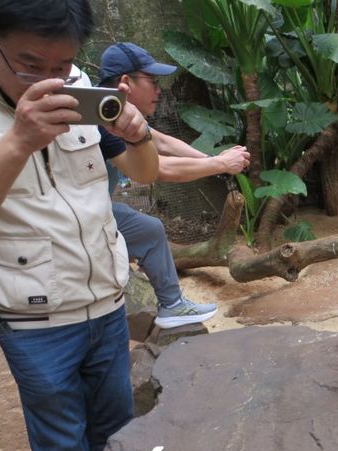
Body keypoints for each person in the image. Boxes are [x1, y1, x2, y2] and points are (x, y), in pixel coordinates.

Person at [0, 0, 158, 451]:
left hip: (107, 307)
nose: (48, 80)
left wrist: (140, 135)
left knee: (117, 441)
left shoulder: (82, 89)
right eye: (29, 65)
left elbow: (145, 171)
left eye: (61, 66)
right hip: (35, 322)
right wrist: (20, 140)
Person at [97, 42, 250, 329]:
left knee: (150, 230)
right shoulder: (103, 121)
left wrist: (214, 160)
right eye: (152, 82)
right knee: (147, 231)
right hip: (74, 221)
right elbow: (158, 168)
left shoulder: (118, 114)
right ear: (125, 83)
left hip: (95, 208)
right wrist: (220, 165)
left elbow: (163, 142)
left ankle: (172, 306)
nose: (158, 90)